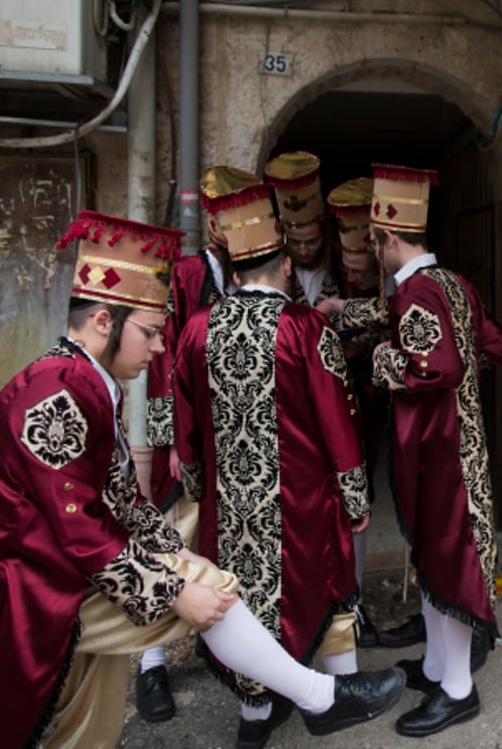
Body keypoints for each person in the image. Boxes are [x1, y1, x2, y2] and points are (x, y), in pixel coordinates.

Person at [0, 210, 406, 749]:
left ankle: (311, 698)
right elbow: (82, 532)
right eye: (149, 334)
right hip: (15, 586)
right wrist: (175, 588)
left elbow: (121, 496)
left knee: (97, 708)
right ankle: (318, 698)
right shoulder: (57, 396)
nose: (160, 349)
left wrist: (181, 552)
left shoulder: (86, 383)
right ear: (101, 323)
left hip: (52, 566)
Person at [173, 175, 382, 749]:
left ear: (235, 271)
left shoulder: (197, 330)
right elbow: (338, 421)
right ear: (286, 266)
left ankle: (255, 713)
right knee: (321, 586)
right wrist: (355, 496)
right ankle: (341, 694)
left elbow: (185, 427)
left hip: (228, 505)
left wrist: (198, 485)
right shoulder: (303, 327)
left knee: (239, 600)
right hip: (300, 502)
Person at [366, 164, 502, 737]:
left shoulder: (415, 292)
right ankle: (435, 667)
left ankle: (458, 690)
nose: (373, 251)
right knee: (436, 561)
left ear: (389, 238)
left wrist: (385, 364)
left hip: (440, 451)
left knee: (448, 564)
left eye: (374, 241)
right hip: (462, 443)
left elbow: (439, 366)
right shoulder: (453, 283)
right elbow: (493, 347)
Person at [134, 164, 245, 722]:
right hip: (187, 438)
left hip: (235, 441)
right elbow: (160, 364)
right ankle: (150, 662)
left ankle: (224, 644)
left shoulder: (258, 274)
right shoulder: (180, 275)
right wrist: (171, 441)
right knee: (168, 538)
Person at [327, 175, 389, 647]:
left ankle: (356, 601)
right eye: (350, 275)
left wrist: (365, 348)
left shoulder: (397, 292)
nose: (356, 282)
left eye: (364, 276)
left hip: (363, 404)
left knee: (359, 498)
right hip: (318, 409)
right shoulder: (329, 274)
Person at [266, 151, 341, 309]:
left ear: (325, 235)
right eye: (294, 242)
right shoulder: (273, 270)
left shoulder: (341, 263)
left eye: (312, 242)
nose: (303, 251)